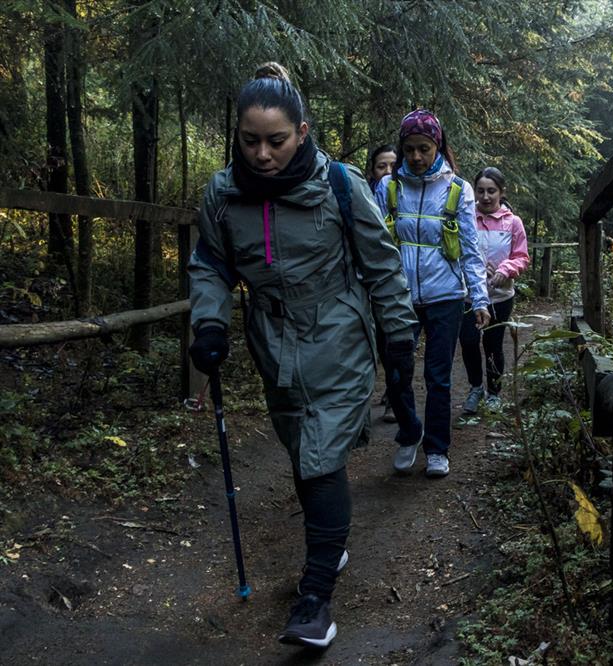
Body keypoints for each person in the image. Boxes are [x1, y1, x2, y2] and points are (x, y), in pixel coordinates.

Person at [186, 63, 417, 649]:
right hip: (272, 338)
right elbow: (210, 265)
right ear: (236, 134)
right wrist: (210, 322)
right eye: (250, 140)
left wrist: (397, 336)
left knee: (319, 457)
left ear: (303, 132)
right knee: (299, 447)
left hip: (337, 330)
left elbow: (381, 262)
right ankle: (329, 543)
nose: (262, 153)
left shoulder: (339, 184)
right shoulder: (222, 194)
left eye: (277, 140)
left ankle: (315, 599)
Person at [374, 109, 490, 478]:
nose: (416, 157)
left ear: (437, 145)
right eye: (409, 149)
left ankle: (437, 447)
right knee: (397, 370)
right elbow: (374, 244)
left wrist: (480, 297)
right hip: (400, 297)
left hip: (446, 297)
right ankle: (409, 431)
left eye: (423, 148)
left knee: (438, 375)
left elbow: (471, 248)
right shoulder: (388, 188)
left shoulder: (458, 189)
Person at [460, 167, 530, 414]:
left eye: (491, 191)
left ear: (501, 192)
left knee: (493, 344)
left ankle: (494, 393)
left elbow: (521, 256)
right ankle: (475, 387)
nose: (486, 196)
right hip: (467, 295)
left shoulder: (513, 222)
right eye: (481, 191)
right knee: (468, 342)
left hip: (500, 296)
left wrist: (506, 269)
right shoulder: (465, 218)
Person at [366, 143, 400, 424]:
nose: (388, 172)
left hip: (397, 281)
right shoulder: (360, 196)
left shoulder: (409, 197)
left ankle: (393, 394)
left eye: (393, 166)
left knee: (392, 341)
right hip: (366, 281)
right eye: (381, 166)